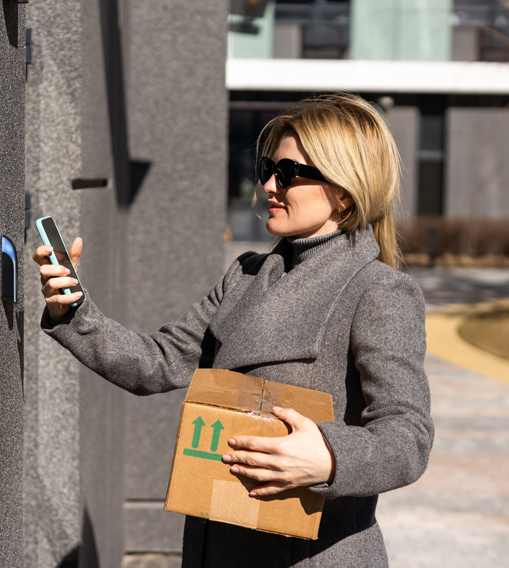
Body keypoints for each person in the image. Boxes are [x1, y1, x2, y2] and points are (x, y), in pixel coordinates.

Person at [33, 94, 434, 568]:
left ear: (344, 192)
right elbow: (158, 362)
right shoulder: (246, 273)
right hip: (217, 541)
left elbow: (408, 436)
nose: (268, 184)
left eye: (287, 173)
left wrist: (327, 456)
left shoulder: (378, 290)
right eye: (268, 168)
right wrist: (75, 311)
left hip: (312, 555)